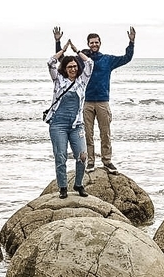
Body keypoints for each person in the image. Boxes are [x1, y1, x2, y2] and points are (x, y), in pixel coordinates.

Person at [53, 26, 135, 174]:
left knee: (105, 133)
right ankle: (90, 162)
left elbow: (126, 58)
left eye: (96, 42)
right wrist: (58, 42)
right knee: (87, 134)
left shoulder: (107, 60)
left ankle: (107, 161)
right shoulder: (81, 61)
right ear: (88, 44)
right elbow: (62, 61)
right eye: (91, 43)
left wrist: (131, 42)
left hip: (103, 101)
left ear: (100, 43)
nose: (94, 45)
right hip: (86, 102)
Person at [46, 39, 94, 199]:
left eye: (74, 66)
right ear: (65, 69)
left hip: (76, 125)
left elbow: (91, 64)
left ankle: (78, 184)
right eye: (69, 67)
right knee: (61, 157)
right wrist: (63, 49)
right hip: (58, 124)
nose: (73, 69)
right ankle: (63, 188)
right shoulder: (58, 80)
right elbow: (50, 62)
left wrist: (76, 49)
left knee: (82, 156)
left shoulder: (82, 81)